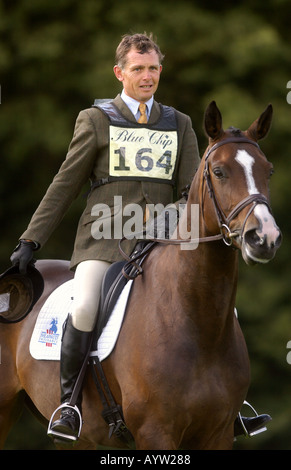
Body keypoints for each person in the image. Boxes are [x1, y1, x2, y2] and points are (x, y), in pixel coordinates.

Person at [10, 33, 270, 444]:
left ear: (159, 72)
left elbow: (189, 190)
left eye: (152, 69)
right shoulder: (96, 120)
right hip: (105, 238)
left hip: (165, 240)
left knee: (224, 311)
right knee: (86, 304)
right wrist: (32, 239)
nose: (146, 76)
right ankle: (69, 405)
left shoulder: (179, 123)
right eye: (137, 69)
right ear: (120, 73)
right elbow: (65, 183)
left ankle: (232, 406)